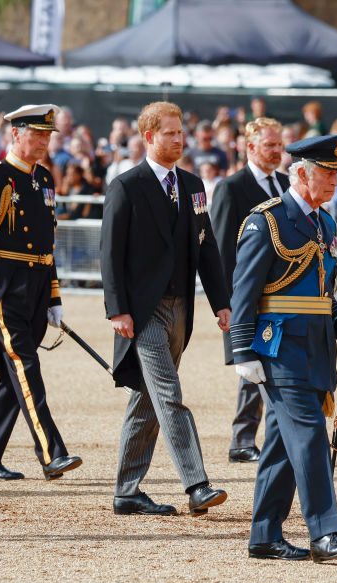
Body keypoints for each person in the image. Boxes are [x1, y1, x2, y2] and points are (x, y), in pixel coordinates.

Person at [231, 134, 337, 562]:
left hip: (316, 346)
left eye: (336, 174)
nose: (334, 182)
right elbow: (244, 290)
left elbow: (320, 290)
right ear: (303, 173)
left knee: (281, 446)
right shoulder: (266, 220)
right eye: (327, 174)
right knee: (309, 436)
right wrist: (242, 351)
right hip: (279, 347)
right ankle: (325, 533)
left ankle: (265, 535)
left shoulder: (324, 223)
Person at [101, 101, 231, 516]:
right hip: (142, 313)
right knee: (169, 395)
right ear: (148, 137)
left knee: (147, 397)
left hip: (181, 310)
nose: (179, 139)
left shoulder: (193, 186)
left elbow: (206, 247)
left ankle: (126, 491)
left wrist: (222, 302)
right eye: (170, 133)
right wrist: (118, 309)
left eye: (181, 132)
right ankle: (197, 484)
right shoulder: (126, 185)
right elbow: (110, 253)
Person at [0, 105, 81, 482]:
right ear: (15, 134)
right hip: (5, 288)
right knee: (26, 367)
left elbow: (49, 241)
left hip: (37, 287)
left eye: (48, 135)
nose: (44, 142)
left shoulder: (43, 178)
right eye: (37, 134)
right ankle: (51, 452)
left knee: (13, 377)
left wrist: (55, 297)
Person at [209, 117, 289, 465]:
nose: (277, 151)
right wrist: (227, 303)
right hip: (249, 295)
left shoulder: (287, 183)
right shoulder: (232, 187)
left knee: (276, 364)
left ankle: (271, 435)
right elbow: (223, 250)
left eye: (279, 144)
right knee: (252, 364)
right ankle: (242, 439)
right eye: (269, 145)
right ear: (249, 147)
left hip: (285, 295)